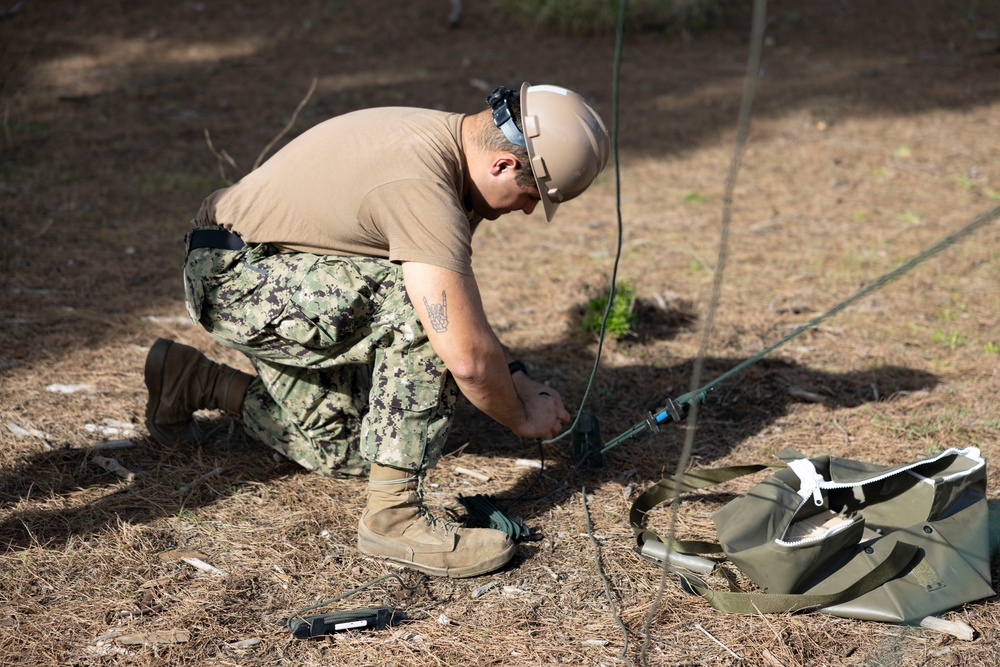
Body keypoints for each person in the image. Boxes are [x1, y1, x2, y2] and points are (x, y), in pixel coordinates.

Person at [144, 83, 610, 578]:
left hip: (273, 268)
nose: (528, 209)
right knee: (423, 317)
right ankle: (394, 519)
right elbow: (465, 354)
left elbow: (458, 311)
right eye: (532, 195)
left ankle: (195, 380)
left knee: (347, 453)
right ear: (504, 165)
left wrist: (515, 376)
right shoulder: (423, 184)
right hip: (236, 280)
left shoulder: (451, 147)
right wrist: (521, 417)